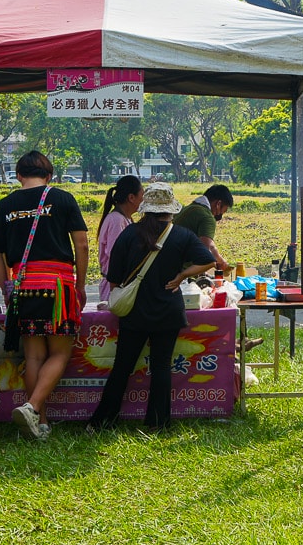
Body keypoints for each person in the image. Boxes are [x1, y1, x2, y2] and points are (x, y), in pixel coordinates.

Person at [87, 183, 215, 433]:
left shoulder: (129, 233)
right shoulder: (181, 235)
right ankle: (158, 423)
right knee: (161, 367)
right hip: (168, 311)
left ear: (146, 208)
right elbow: (208, 260)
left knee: (122, 367)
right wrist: (180, 277)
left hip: (134, 312)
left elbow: (113, 277)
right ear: (170, 209)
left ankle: (102, 422)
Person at [0, 150, 88, 441]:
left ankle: (40, 421)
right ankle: (32, 407)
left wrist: (7, 288)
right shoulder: (63, 198)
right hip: (58, 286)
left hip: (24, 286)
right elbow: (81, 244)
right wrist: (80, 286)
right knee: (59, 352)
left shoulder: (6, 204)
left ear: (18, 175)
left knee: (33, 356)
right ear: (49, 176)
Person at [96, 175, 145, 308]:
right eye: (142, 194)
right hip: (115, 286)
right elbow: (116, 256)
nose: (144, 199)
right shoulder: (117, 221)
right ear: (131, 198)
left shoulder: (124, 219)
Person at [172, 184, 234, 272]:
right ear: (218, 204)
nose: (220, 215)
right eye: (223, 211)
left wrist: (220, 260)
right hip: (180, 271)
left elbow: (210, 245)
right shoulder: (207, 217)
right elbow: (203, 254)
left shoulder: (189, 209)